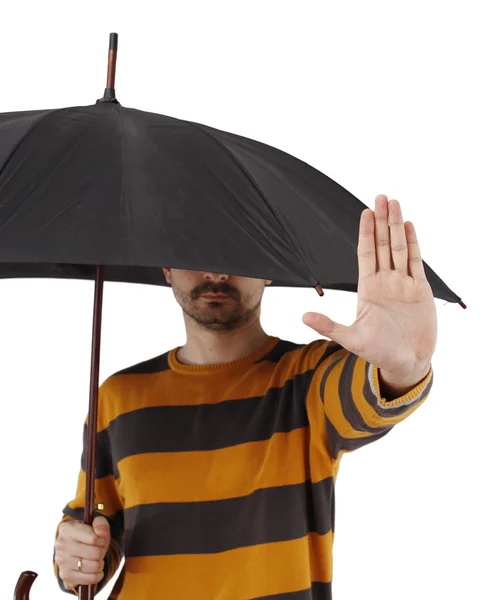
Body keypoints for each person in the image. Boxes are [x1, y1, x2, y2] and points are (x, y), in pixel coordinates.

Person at [53, 195, 437, 599]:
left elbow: (371, 399)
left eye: (238, 252)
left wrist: (403, 366)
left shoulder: (307, 379)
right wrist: (75, 555)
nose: (217, 272)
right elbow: (93, 529)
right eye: (193, 251)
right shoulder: (118, 397)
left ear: (268, 269)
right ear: (166, 266)